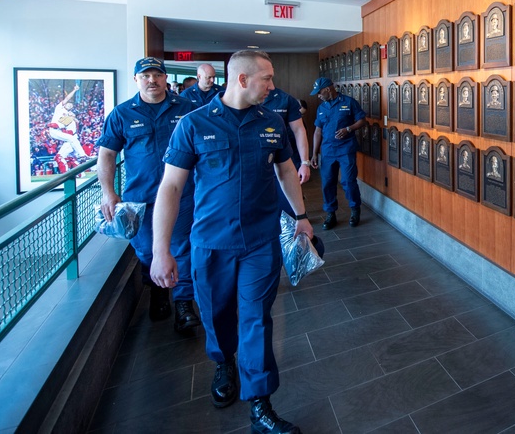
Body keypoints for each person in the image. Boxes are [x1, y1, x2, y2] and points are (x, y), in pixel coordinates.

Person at [150, 50, 312, 433]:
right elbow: (171, 187)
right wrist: (161, 250)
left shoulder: (271, 122)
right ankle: (223, 362)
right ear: (241, 79)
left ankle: (260, 402)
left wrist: (302, 217)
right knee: (218, 315)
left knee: (256, 317)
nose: (273, 86)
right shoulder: (193, 124)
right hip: (211, 243)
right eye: (266, 79)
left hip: (260, 241)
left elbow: (287, 170)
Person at [97, 57, 199, 332]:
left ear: (165, 78)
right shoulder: (121, 114)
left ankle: (183, 303)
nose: (151, 80)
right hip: (140, 199)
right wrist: (108, 192)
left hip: (182, 195)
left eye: (157, 74)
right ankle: (158, 292)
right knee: (145, 251)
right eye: (145, 75)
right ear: (136, 80)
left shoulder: (187, 109)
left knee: (182, 249)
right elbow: (106, 154)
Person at [310, 77, 367, 229]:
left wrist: (349, 128)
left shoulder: (348, 102)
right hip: (328, 150)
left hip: (346, 149)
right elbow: (317, 131)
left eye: (320, 92)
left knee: (348, 181)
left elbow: (362, 120)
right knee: (327, 183)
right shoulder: (321, 108)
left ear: (328, 89)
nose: (318, 96)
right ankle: (330, 214)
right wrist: (314, 153)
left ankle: (355, 209)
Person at [262, 86, 313, 220]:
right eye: (266, 78)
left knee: (288, 203)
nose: (271, 85)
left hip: (285, 158)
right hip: (257, 162)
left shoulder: (285, 99)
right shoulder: (242, 99)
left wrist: (305, 162)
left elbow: (299, 131)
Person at [48, 85, 89, 172]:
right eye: (69, 103)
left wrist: (73, 118)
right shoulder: (59, 108)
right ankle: (82, 155)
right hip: (54, 131)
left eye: (71, 105)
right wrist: (74, 90)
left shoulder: (70, 114)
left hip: (61, 132)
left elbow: (75, 123)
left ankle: (80, 170)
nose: (70, 105)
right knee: (71, 139)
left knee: (69, 149)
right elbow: (66, 98)